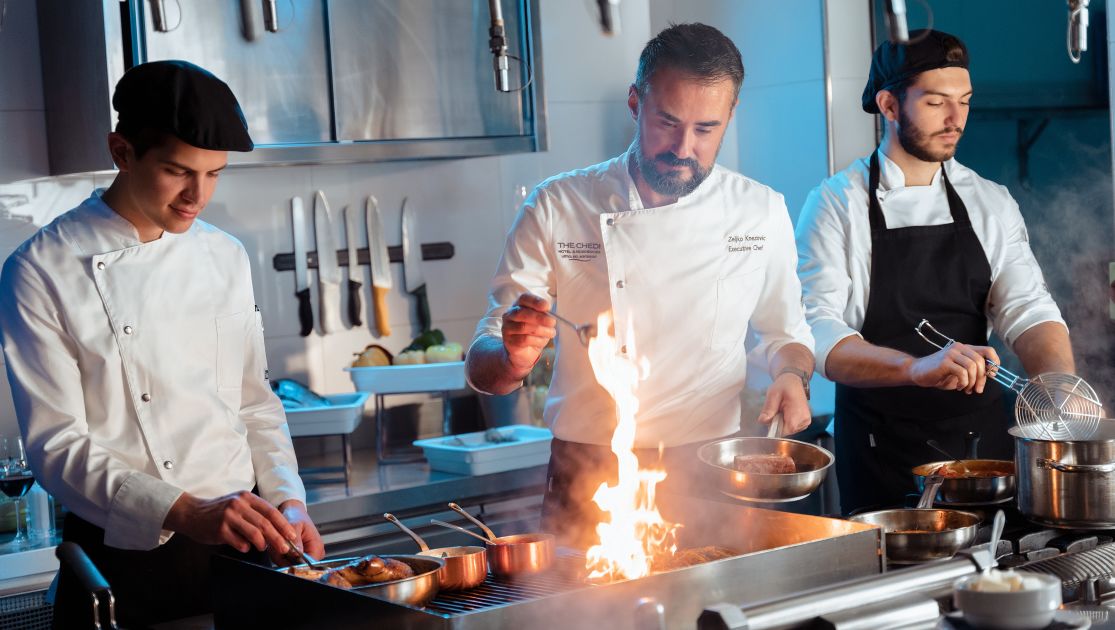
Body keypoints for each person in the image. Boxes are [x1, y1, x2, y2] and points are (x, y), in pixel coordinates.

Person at [0, 60, 323, 627]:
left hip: (244, 551)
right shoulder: (39, 269)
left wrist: (287, 499)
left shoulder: (225, 255)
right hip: (121, 563)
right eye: (178, 171)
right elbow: (56, 444)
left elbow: (253, 402)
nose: (197, 195)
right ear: (122, 152)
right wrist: (185, 510)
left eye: (215, 174)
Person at [467, 24, 815, 547]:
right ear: (636, 102)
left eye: (705, 129)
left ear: (731, 116)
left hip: (708, 471)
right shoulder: (558, 205)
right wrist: (511, 359)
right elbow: (483, 365)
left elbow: (785, 333)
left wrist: (792, 375)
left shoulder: (760, 210)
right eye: (667, 122)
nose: (683, 147)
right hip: (588, 472)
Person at [795, 30, 1074, 513]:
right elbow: (816, 331)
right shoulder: (836, 204)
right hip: (880, 454)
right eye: (936, 102)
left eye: (964, 102)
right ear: (888, 105)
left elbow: (1027, 307)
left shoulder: (989, 201)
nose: (955, 120)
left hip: (983, 459)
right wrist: (915, 369)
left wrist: (1062, 392)